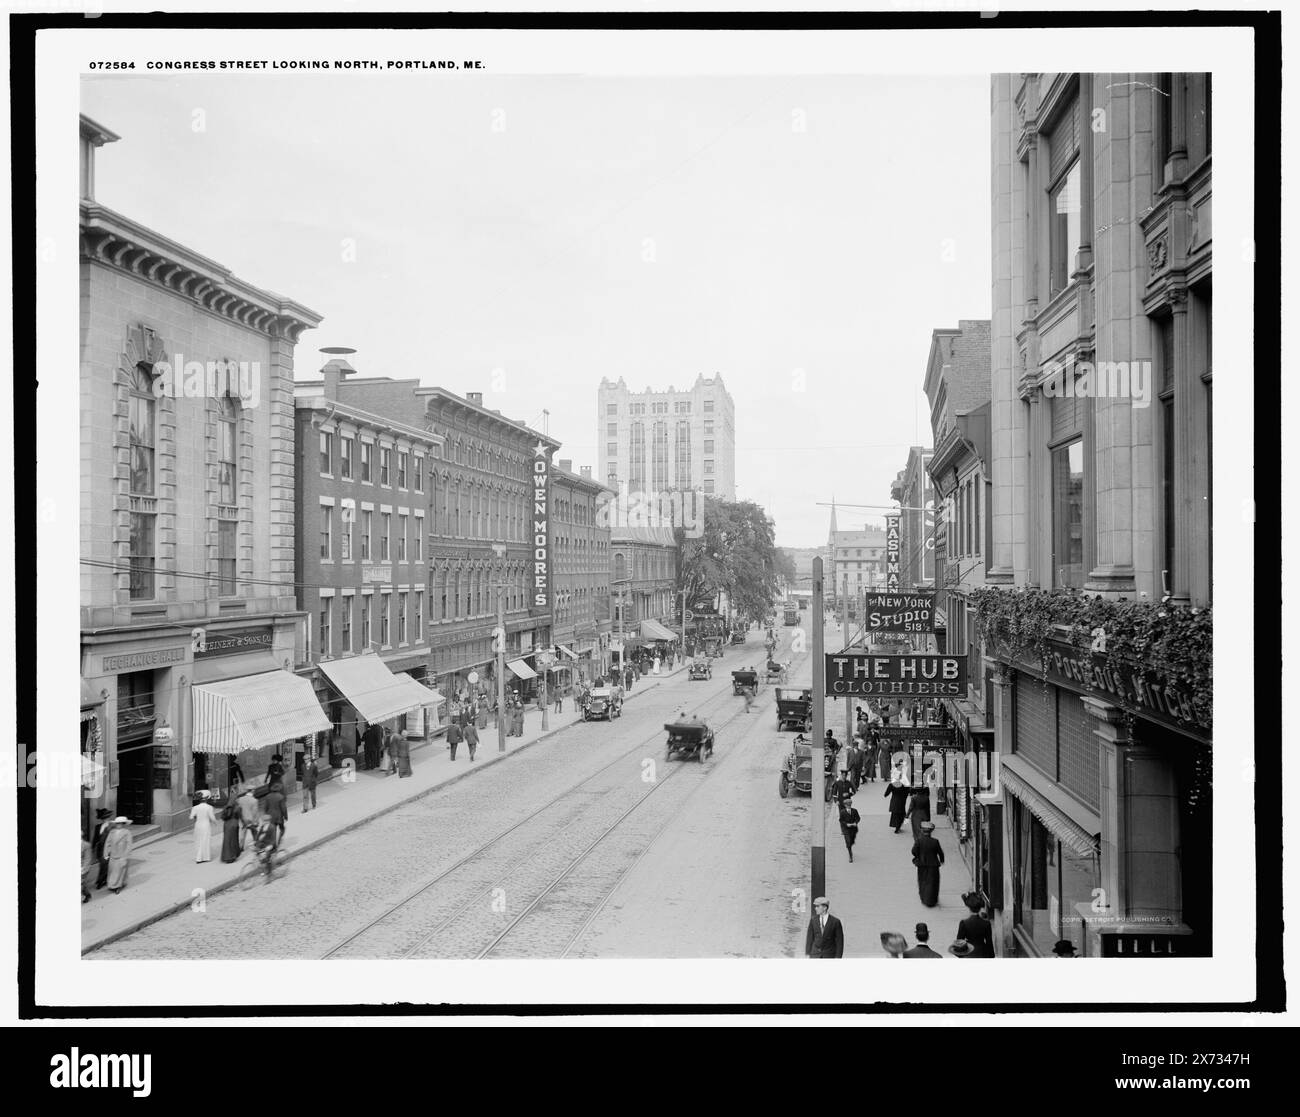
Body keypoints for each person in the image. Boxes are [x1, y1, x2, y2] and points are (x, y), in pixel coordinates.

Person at [912, 820, 944, 907]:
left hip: (922, 864)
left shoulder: (919, 841)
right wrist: (942, 860)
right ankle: (932, 899)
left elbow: (914, 851)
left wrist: (918, 856)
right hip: (933, 865)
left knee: (923, 881)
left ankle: (924, 898)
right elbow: (940, 852)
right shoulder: (935, 841)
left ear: (922, 831)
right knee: (933, 882)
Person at [104, 817, 133, 893]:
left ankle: (118, 886)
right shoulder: (112, 832)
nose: (118, 825)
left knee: (120, 871)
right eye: (117, 823)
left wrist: (125, 856)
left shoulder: (127, 832)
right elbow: (107, 843)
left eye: (120, 823)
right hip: (113, 855)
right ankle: (111, 885)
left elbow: (129, 845)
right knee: (112, 871)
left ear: (123, 824)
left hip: (121, 855)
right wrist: (106, 853)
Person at [189, 793, 217, 863]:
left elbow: (191, 817)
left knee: (198, 841)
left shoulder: (195, 807)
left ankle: (198, 858)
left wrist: (197, 816)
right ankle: (206, 857)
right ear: (206, 799)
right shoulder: (209, 807)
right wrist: (215, 822)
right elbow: (212, 817)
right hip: (206, 825)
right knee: (206, 840)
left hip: (198, 825)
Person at [91, 807, 113, 890]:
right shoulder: (98, 827)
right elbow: (95, 839)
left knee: (104, 864)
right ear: (102, 819)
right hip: (100, 849)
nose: (107, 819)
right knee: (102, 865)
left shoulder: (111, 827)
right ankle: (104, 879)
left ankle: (100, 881)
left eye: (108, 817)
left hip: (108, 849)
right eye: (105, 818)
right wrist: (92, 848)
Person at [263, 781, 287, 849]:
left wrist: (266, 815)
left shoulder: (267, 796)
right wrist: (285, 816)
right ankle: (279, 841)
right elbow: (284, 808)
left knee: (273, 830)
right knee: (282, 829)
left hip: (270, 817)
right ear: (278, 789)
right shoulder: (281, 797)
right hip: (279, 817)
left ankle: (273, 845)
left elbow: (265, 807)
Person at [219, 795, 243, 863]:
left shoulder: (226, 807)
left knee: (226, 840)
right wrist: (244, 823)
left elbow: (222, 817)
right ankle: (232, 856)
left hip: (226, 825)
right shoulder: (238, 807)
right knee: (234, 840)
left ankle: (225, 857)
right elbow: (240, 816)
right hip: (234, 824)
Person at [838, 798, 860, 862]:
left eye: (850, 805)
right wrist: (846, 824)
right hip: (846, 829)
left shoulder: (855, 811)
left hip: (853, 829)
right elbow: (841, 820)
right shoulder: (842, 812)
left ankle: (849, 844)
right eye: (848, 805)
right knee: (848, 842)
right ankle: (850, 855)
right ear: (845, 805)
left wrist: (856, 822)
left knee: (852, 841)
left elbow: (858, 818)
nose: (849, 806)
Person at [81, 838, 94, 903]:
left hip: (82, 868)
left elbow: (88, 858)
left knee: (81, 884)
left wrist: (84, 869)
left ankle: (87, 895)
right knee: (82, 884)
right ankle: (87, 894)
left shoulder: (86, 845)